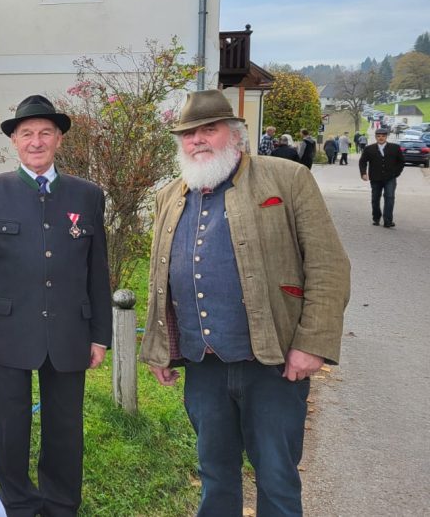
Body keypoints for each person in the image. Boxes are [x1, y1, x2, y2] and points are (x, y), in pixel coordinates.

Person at [140, 90, 350, 517]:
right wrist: (159, 346)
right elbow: (160, 278)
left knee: (276, 477)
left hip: (272, 363)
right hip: (205, 366)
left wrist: (311, 343)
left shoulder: (287, 179)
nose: (197, 140)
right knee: (215, 475)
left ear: (234, 135)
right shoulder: (169, 195)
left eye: (208, 130)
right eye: (188, 134)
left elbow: (329, 265)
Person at [0, 94, 112, 517]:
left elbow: (96, 270)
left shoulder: (87, 195)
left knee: (64, 425)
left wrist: (100, 334)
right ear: (14, 141)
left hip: (70, 327)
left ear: (59, 140)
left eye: (45, 132)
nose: (36, 141)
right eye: (26, 133)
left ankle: (61, 502)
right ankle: (19, 501)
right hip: (7, 326)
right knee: (9, 424)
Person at [358, 128, 405, 228]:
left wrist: (396, 173)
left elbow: (401, 162)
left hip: (390, 178)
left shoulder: (395, 148)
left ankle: (388, 221)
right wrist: (363, 173)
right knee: (375, 199)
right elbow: (362, 162)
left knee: (389, 197)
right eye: (379, 136)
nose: (381, 138)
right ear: (375, 137)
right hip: (375, 178)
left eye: (383, 136)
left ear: (386, 137)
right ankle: (376, 217)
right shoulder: (369, 149)